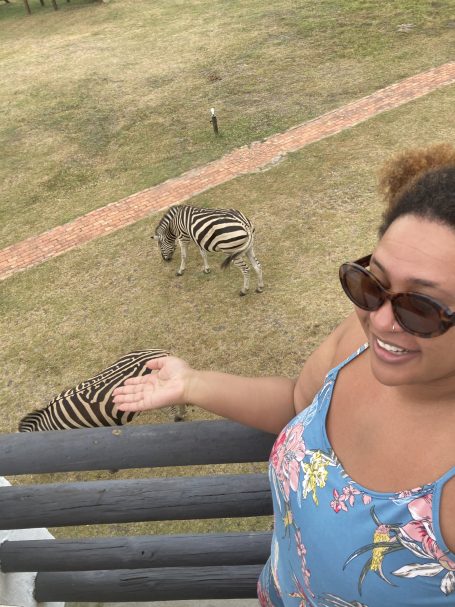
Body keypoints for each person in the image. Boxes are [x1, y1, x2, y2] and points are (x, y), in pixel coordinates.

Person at [113, 143, 455, 607]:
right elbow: (299, 400)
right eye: (370, 284)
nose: (379, 321)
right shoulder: (356, 348)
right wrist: (192, 384)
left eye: (421, 307)